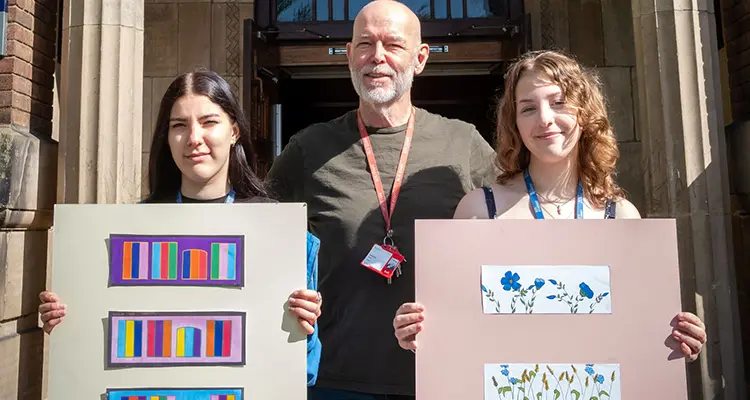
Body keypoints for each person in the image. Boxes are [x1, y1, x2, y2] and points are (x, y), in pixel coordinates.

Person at [392, 50, 707, 363]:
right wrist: (419, 331)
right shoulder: (479, 210)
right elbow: (454, 321)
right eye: (528, 108)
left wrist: (673, 340)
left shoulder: (620, 215)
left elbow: (638, 329)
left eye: (559, 103)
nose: (544, 119)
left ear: (584, 113)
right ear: (514, 123)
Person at [265, 1, 497, 398]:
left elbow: (517, 231)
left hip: (441, 376)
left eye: (393, 44)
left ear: (420, 58)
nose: (378, 57)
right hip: (336, 379)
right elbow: (258, 237)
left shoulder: (464, 143)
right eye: (365, 44)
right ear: (348, 55)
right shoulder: (308, 148)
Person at [38, 70, 325, 386]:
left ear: (235, 131)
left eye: (208, 122)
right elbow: (100, 349)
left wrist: (303, 330)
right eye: (179, 126)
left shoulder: (280, 236)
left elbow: (305, 371)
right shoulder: (125, 233)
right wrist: (69, 324)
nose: (193, 138)